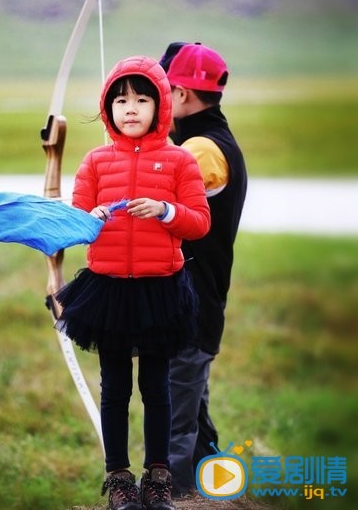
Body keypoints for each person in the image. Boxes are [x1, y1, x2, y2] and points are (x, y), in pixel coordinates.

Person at [55, 55, 211, 510]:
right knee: (115, 387)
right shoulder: (96, 161)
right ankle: (120, 480)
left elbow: (199, 222)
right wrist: (91, 219)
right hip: (109, 291)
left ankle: (158, 478)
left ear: (160, 106)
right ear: (108, 107)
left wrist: (165, 212)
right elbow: (74, 222)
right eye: (121, 99)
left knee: (156, 386)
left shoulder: (180, 160)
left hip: (159, 288)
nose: (131, 108)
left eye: (142, 99)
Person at [158, 42, 248, 498]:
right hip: (191, 303)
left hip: (193, 305)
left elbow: (155, 197)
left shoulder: (202, 149)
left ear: (181, 95)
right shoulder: (201, 141)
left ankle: (171, 497)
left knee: (176, 421)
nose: (153, 102)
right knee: (190, 415)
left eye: (160, 91)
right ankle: (216, 487)